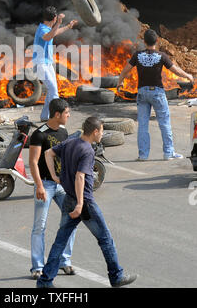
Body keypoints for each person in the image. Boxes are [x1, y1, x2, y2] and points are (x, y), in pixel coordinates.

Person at [37, 116, 137, 288]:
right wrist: (80, 204)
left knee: (60, 241)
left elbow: (48, 153)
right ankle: (116, 276)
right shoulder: (87, 150)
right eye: (102, 131)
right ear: (95, 131)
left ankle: (45, 281)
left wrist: (54, 176)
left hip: (69, 197)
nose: (102, 134)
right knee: (105, 239)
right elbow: (80, 177)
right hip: (85, 204)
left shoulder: (70, 142)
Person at [117, 29, 194, 161]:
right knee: (164, 123)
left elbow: (125, 71)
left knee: (142, 125)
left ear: (144, 41)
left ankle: (143, 155)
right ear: (157, 41)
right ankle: (168, 153)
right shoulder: (161, 56)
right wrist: (188, 76)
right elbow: (175, 70)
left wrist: (119, 83)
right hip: (157, 93)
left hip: (142, 93)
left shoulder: (137, 55)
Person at [29, 98, 77, 280]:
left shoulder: (64, 132)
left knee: (71, 219)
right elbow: (33, 162)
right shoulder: (39, 134)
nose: (69, 116)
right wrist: (39, 186)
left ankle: (65, 261)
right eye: (67, 113)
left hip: (62, 185)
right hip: (46, 185)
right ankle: (37, 267)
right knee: (39, 226)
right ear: (57, 114)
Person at [32, 6, 77, 122]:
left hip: (47, 64)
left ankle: (45, 116)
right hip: (41, 65)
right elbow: (48, 37)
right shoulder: (42, 29)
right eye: (56, 19)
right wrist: (59, 23)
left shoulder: (47, 28)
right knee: (53, 92)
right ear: (55, 18)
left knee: (52, 90)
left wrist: (68, 26)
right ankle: (55, 118)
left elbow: (54, 33)